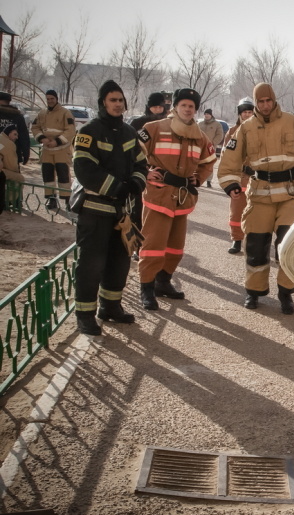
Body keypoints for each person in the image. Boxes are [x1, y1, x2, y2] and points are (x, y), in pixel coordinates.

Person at [217, 82, 294, 314]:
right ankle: (254, 292)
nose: (265, 106)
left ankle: (286, 293)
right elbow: (229, 160)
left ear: (274, 100)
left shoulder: (291, 122)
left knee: (289, 245)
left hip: (289, 195)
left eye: (268, 101)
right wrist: (230, 183)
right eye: (260, 102)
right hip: (260, 196)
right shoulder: (246, 128)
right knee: (255, 246)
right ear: (255, 103)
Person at [71, 80, 147, 335]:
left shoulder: (129, 132)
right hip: (94, 210)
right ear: (103, 102)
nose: (118, 104)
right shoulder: (89, 131)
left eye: (120, 100)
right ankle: (84, 314)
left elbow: (141, 164)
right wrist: (116, 187)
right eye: (112, 99)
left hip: (122, 212)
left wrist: (136, 184)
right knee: (91, 264)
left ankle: (110, 306)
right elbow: (84, 169)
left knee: (119, 261)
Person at [137, 88, 216, 311]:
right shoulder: (154, 128)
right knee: (153, 245)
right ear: (176, 107)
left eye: (192, 106)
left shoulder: (200, 136)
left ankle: (163, 282)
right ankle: (147, 288)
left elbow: (209, 160)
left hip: (182, 198)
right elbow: (132, 152)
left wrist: (197, 178)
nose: (188, 109)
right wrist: (144, 173)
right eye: (184, 105)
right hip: (159, 195)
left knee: (175, 248)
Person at [128, 92, 168, 260]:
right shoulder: (137, 124)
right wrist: (144, 171)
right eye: (154, 106)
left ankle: (156, 246)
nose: (157, 110)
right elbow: (130, 149)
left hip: (163, 176)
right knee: (138, 211)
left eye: (160, 106)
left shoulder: (169, 124)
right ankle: (137, 247)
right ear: (148, 106)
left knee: (159, 215)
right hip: (141, 171)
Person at [31, 90, 76, 211]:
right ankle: (51, 199)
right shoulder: (42, 113)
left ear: (56, 99)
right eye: (48, 99)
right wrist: (42, 138)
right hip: (47, 150)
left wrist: (57, 141)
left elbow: (71, 131)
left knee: (63, 175)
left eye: (52, 98)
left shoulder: (65, 113)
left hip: (61, 149)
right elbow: (35, 127)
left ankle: (68, 201)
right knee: (48, 175)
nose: (50, 101)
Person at [222, 97, 255, 254]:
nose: (247, 115)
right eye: (244, 112)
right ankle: (236, 240)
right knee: (237, 211)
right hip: (239, 178)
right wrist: (243, 168)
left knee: (256, 212)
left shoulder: (262, 130)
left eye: (250, 112)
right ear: (240, 114)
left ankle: (254, 240)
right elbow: (227, 156)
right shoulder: (232, 132)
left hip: (258, 180)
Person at [0, 91, 31, 167]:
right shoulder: (18, 116)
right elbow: (24, 136)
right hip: (13, 154)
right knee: (13, 176)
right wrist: (26, 153)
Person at [0, 125, 25, 215]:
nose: (16, 137)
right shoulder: (9, 144)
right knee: (19, 178)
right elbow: (12, 165)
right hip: (2, 171)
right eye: (15, 134)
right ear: (9, 133)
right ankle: (11, 201)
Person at [198, 108, 224, 188]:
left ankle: (209, 181)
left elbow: (220, 135)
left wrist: (213, 142)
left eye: (208, 114)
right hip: (199, 146)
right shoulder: (200, 124)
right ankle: (197, 179)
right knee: (197, 162)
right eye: (205, 114)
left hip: (210, 148)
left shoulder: (217, 124)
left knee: (209, 163)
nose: (206, 115)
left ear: (211, 115)